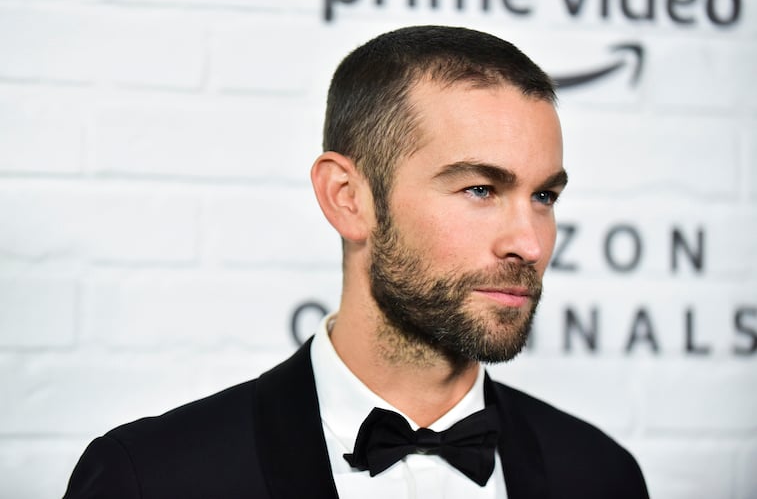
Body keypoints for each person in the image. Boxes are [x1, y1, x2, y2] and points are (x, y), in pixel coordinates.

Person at [63, 25, 649, 499]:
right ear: (347, 198)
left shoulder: (602, 476)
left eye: (543, 196)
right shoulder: (153, 479)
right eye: (479, 189)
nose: (530, 244)